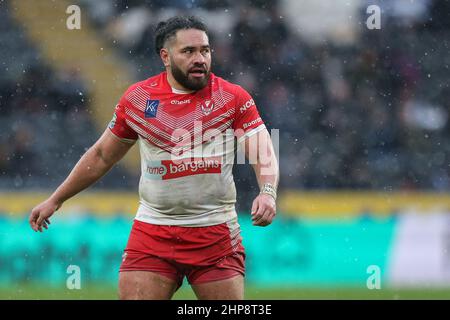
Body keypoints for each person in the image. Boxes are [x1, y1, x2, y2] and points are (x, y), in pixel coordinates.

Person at [29, 16, 279, 300]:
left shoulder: (233, 98)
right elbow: (100, 156)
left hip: (215, 232)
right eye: (189, 51)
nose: (200, 58)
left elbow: (263, 150)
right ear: (165, 56)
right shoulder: (138, 99)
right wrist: (56, 199)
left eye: (205, 50)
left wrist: (268, 192)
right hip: (153, 231)